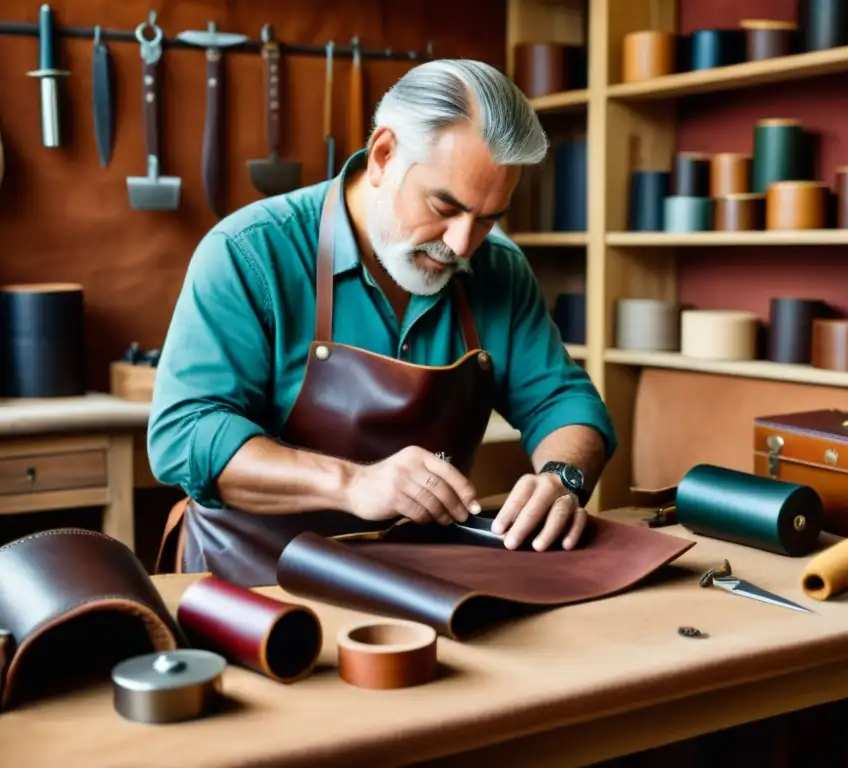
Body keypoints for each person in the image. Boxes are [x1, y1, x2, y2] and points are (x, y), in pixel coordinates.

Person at [147, 58, 617, 586]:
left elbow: (563, 401)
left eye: (487, 219)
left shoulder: (496, 269)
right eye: (445, 205)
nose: (462, 244)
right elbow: (185, 434)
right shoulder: (250, 252)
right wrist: (350, 483)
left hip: (423, 584)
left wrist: (563, 479)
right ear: (384, 155)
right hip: (251, 584)